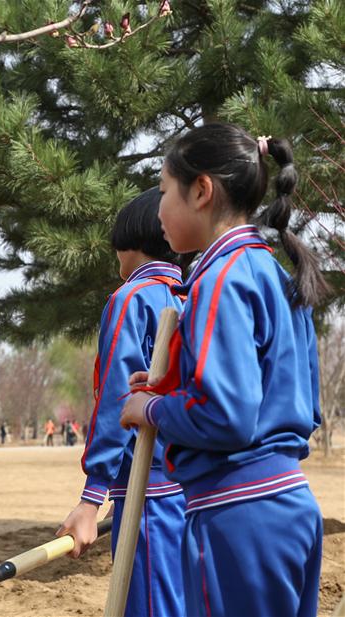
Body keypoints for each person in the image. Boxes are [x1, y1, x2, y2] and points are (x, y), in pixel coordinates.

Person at [120, 124, 326, 617]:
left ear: (202, 190)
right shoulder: (270, 268)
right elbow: (295, 400)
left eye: (165, 191)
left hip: (238, 512)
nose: (159, 210)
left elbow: (227, 416)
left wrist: (152, 409)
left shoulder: (219, 277)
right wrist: (173, 388)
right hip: (287, 504)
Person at [57, 188, 186, 616]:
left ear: (129, 238)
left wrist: (92, 495)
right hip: (195, 488)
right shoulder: (194, 297)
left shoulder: (131, 298)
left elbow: (118, 396)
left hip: (148, 489)